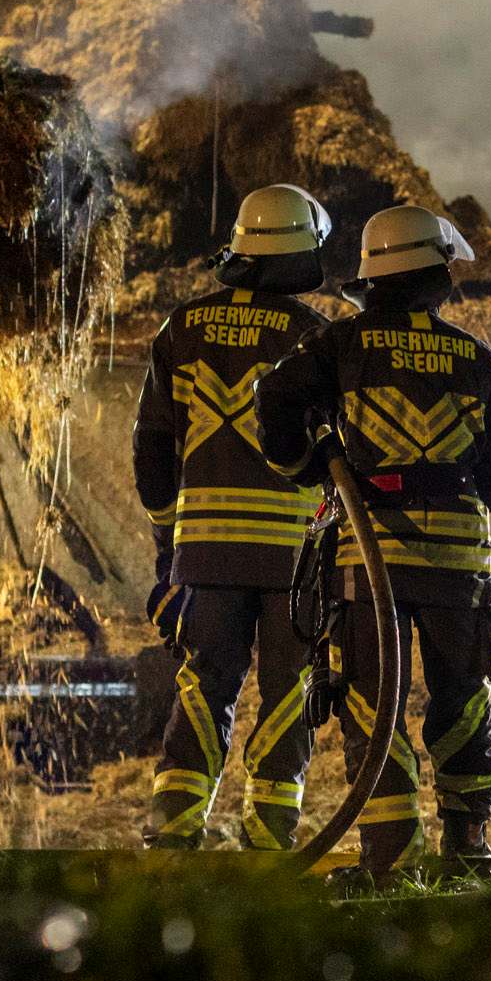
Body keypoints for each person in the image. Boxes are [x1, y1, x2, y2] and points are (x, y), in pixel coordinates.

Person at [254, 204, 491, 881]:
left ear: (374, 279)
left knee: (370, 704)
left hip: (367, 554)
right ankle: (467, 848)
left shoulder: (341, 345)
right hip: (459, 562)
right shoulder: (479, 359)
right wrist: (455, 500)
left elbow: (275, 401)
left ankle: (390, 861)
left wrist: (315, 467)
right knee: (463, 699)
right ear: (436, 275)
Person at [132, 184, 333, 849]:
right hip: (292, 556)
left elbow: (152, 447)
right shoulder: (314, 337)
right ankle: (272, 833)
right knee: (289, 686)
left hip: (206, 552)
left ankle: (173, 824)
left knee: (203, 681)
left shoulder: (180, 329)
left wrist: (170, 540)